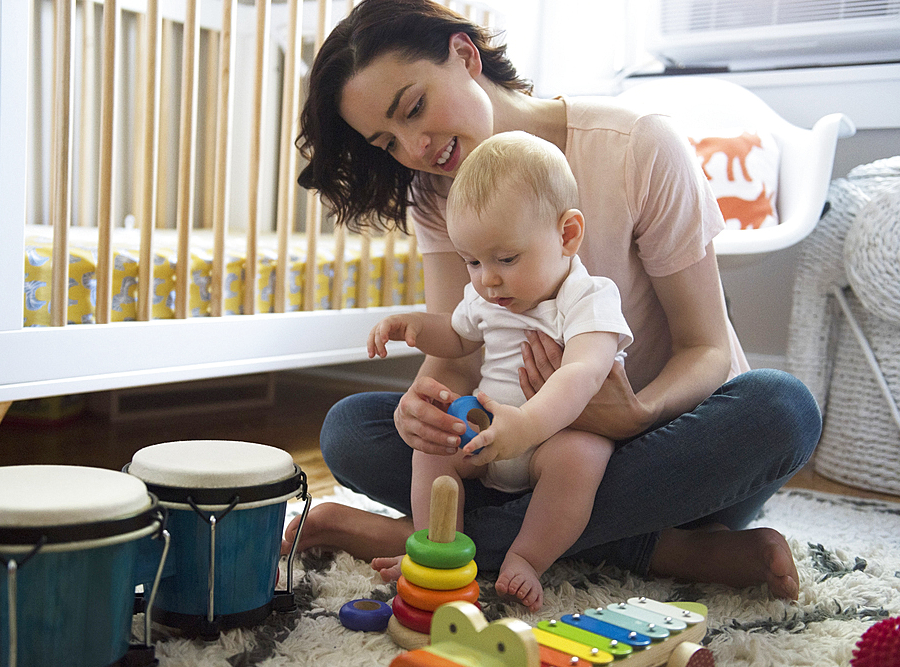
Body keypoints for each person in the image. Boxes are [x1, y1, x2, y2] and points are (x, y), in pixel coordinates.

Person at [283, 0, 821, 603]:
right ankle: (663, 551)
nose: (415, 147)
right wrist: (424, 408)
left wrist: (634, 415)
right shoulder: (436, 194)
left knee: (784, 408)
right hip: (518, 447)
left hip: (665, 449)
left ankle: (419, 536)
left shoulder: (636, 146)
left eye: (414, 108)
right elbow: (460, 349)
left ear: (465, 55)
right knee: (349, 428)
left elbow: (706, 348)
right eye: (388, 142)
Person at [367, 130, 634, 611]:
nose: (487, 279)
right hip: (486, 437)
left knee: (582, 457)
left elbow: (583, 372)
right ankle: (436, 547)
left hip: (552, 439)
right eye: (471, 261)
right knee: (429, 449)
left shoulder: (590, 297)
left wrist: (528, 425)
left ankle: (526, 557)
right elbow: (456, 337)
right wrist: (414, 326)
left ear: (567, 235)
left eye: (506, 259)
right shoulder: (488, 295)